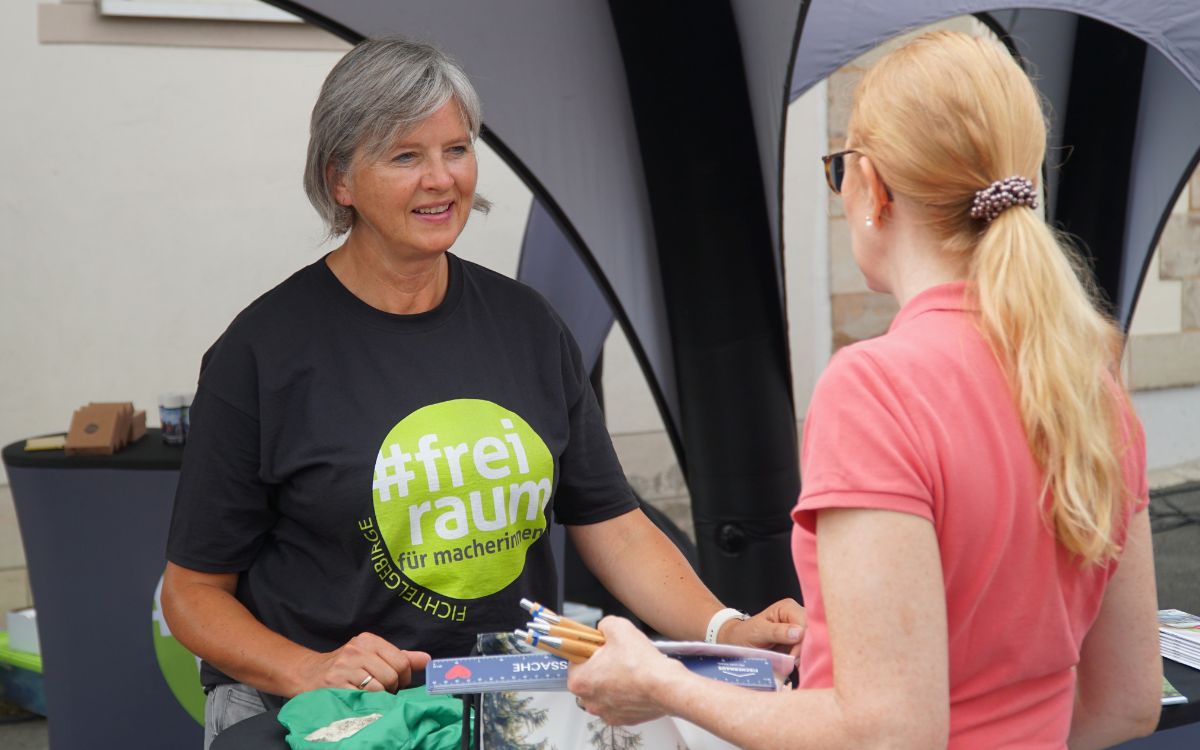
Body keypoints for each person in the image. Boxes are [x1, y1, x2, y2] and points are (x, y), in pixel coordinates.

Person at [159, 35, 802, 749]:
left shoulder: (526, 326)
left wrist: (727, 629)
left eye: (456, 149)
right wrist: (309, 668)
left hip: (507, 700)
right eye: (406, 156)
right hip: (324, 714)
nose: (440, 179)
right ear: (341, 179)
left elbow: (612, 524)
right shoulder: (261, 354)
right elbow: (191, 594)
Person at [568, 30, 1163, 749]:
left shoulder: (876, 389)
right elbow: (1127, 701)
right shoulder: (1089, 380)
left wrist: (661, 682)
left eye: (838, 168)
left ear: (872, 186)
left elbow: (885, 734)